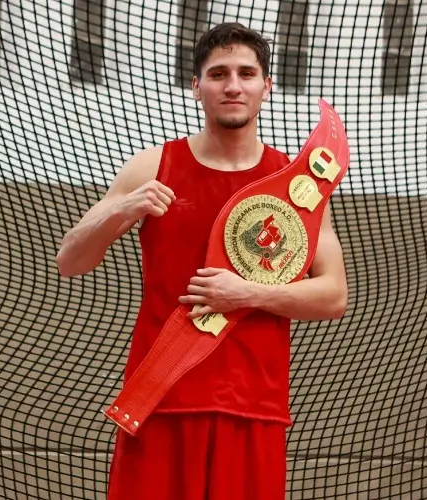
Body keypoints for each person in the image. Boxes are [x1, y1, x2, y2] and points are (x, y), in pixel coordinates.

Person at [56, 22, 348, 500]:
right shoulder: (153, 166)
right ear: (196, 86)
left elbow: (333, 295)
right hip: (160, 400)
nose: (233, 85)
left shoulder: (294, 185)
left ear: (266, 86)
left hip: (253, 407)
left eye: (246, 73)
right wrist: (122, 209)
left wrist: (248, 293)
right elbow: (70, 260)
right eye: (218, 74)